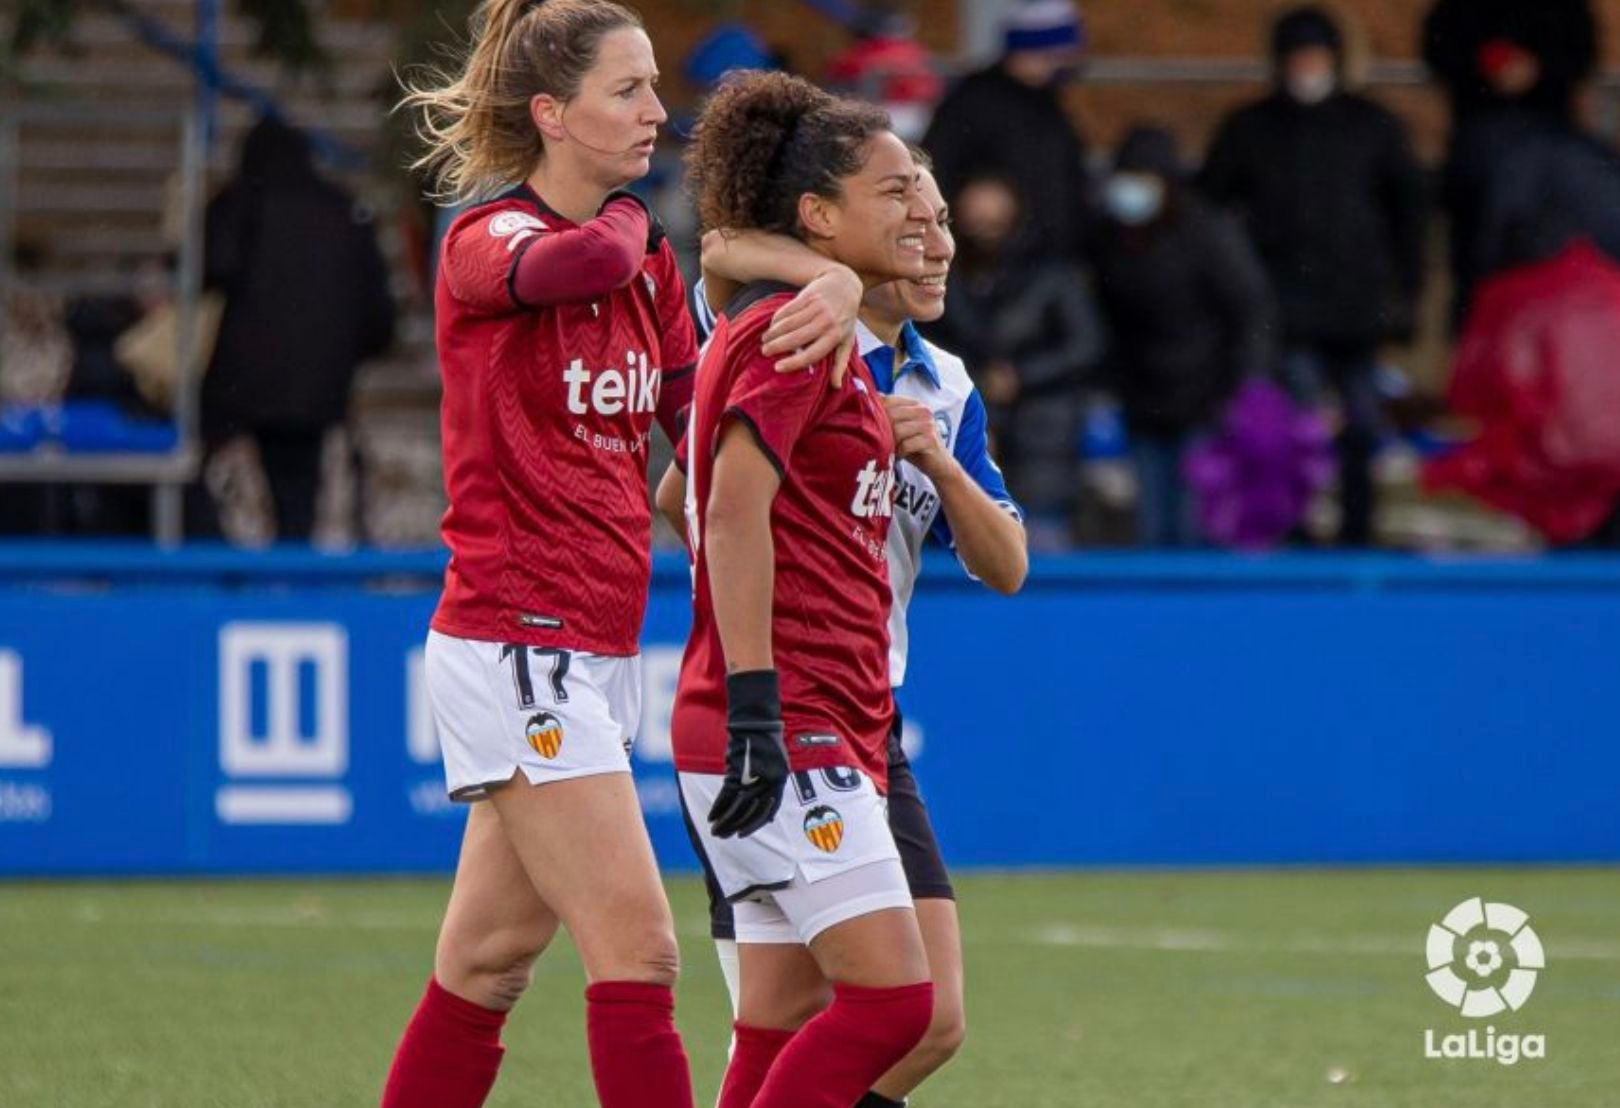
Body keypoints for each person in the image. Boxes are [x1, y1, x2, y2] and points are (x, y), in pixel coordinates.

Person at [380, 4, 700, 1106]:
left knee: (483, 962)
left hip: (598, 646)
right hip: (521, 638)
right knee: (642, 950)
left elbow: (695, 418)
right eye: (629, 90)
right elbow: (580, 260)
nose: (658, 110)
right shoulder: (488, 239)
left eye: (654, 85)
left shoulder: (646, 252)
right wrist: (637, 228)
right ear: (552, 115)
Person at [660, 157, 1027, 1108]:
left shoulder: (944, 386)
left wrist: (939, 464)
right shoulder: (799, 329)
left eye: (945, 222)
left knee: (917, 1019)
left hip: (868, 715)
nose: (938, 244)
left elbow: (1008, 564)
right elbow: (685, 493)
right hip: (778, 705)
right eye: (913, 221)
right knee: (868, 1012)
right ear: (836, 228)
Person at [673, 70, 937, 1108]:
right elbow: (728, 510)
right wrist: (755, 702)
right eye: (893, 189)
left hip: (821, 717)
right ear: (819, 218)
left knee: (774, 1020)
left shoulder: (827, 330)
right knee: (895, 1008)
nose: (919, 206)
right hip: (787, 724)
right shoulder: (797, 332)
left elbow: (676, 491)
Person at [1200, 5, 1427, 546]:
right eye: (1298, 57)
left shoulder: (1373, 126)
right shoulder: (1251, 128)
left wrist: (1406, 296)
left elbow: (1410, 217)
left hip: (1357, 309)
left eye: (1317, 56)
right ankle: (1296, 528)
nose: (1307, 68)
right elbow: (1209, 207)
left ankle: (1357, 528)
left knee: (1362, 425)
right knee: (1294, 430)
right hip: (1284, 310)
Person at [189, 115, 395, 542]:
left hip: (239, 392)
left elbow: (210, 270)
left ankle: (233, 583)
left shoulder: (240, 203)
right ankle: (297, 581)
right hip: (320, 392)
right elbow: (377, 312)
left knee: (216, 491)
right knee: (300, 498)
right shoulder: (344, 212)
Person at [1091, 126, 1275, 547]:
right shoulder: (1111, 239)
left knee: (1194, 522)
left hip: (1204, 398)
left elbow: (1250, 308)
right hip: (1142, 398)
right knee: (1151, 523)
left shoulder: (1207, 233)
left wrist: (1248, 382)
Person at [923, 171, 1101, 548]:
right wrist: (976, 378)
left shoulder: (1051, 274)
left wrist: (1022, 376)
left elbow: (1086, 344)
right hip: (973, 425)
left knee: (1040, 545)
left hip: (1045, 431)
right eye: (975, 222)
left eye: (995, 221)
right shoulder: (951, 275)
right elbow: (937, 337)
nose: (985, 230)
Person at [922, 0, 1092, 262]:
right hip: (990, 262)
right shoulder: (975, 101)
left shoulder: (1047, 104)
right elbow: (937, 168)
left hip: (1047, 257)